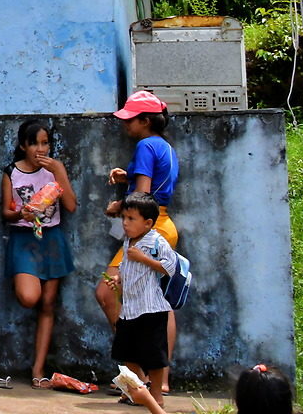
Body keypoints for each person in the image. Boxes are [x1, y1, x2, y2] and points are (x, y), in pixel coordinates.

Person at [97, 89, 181, 391]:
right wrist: (128, 177)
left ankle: (139, 378)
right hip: (162, 225)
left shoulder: (145, 145)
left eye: (130, 119)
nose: (125, 124)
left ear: (145, 120)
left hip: (147, 227)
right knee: (158, 302)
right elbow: (153, 184)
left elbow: (142, 197)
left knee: (107, 292)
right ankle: (159, 381)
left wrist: (119, 206)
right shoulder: (163, 146)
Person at [0, 118, 77, 388]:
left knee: (48, 304)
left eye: (45, 143)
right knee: (29, 297)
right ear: (23, 146)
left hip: (52, 239)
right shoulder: (12, 172)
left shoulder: (54, 170)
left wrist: (59, 171)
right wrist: (20, 213)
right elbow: (5, 213)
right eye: (34, 144)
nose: (40, 149)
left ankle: (38, 369)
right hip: (24, 239)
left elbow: (71, 206)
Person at [112, 192, 180, 408]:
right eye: (124, 218)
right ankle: (135, 391)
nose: (125, 223)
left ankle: (156, 396)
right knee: (128, 353)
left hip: (151, 309)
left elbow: (170, 267)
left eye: (131, 219)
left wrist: (144, 259)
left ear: (148, 223)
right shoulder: (128, 241)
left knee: (154, 357)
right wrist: (118, 279)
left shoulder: (157, 241)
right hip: (130, 309)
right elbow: (125, 266)